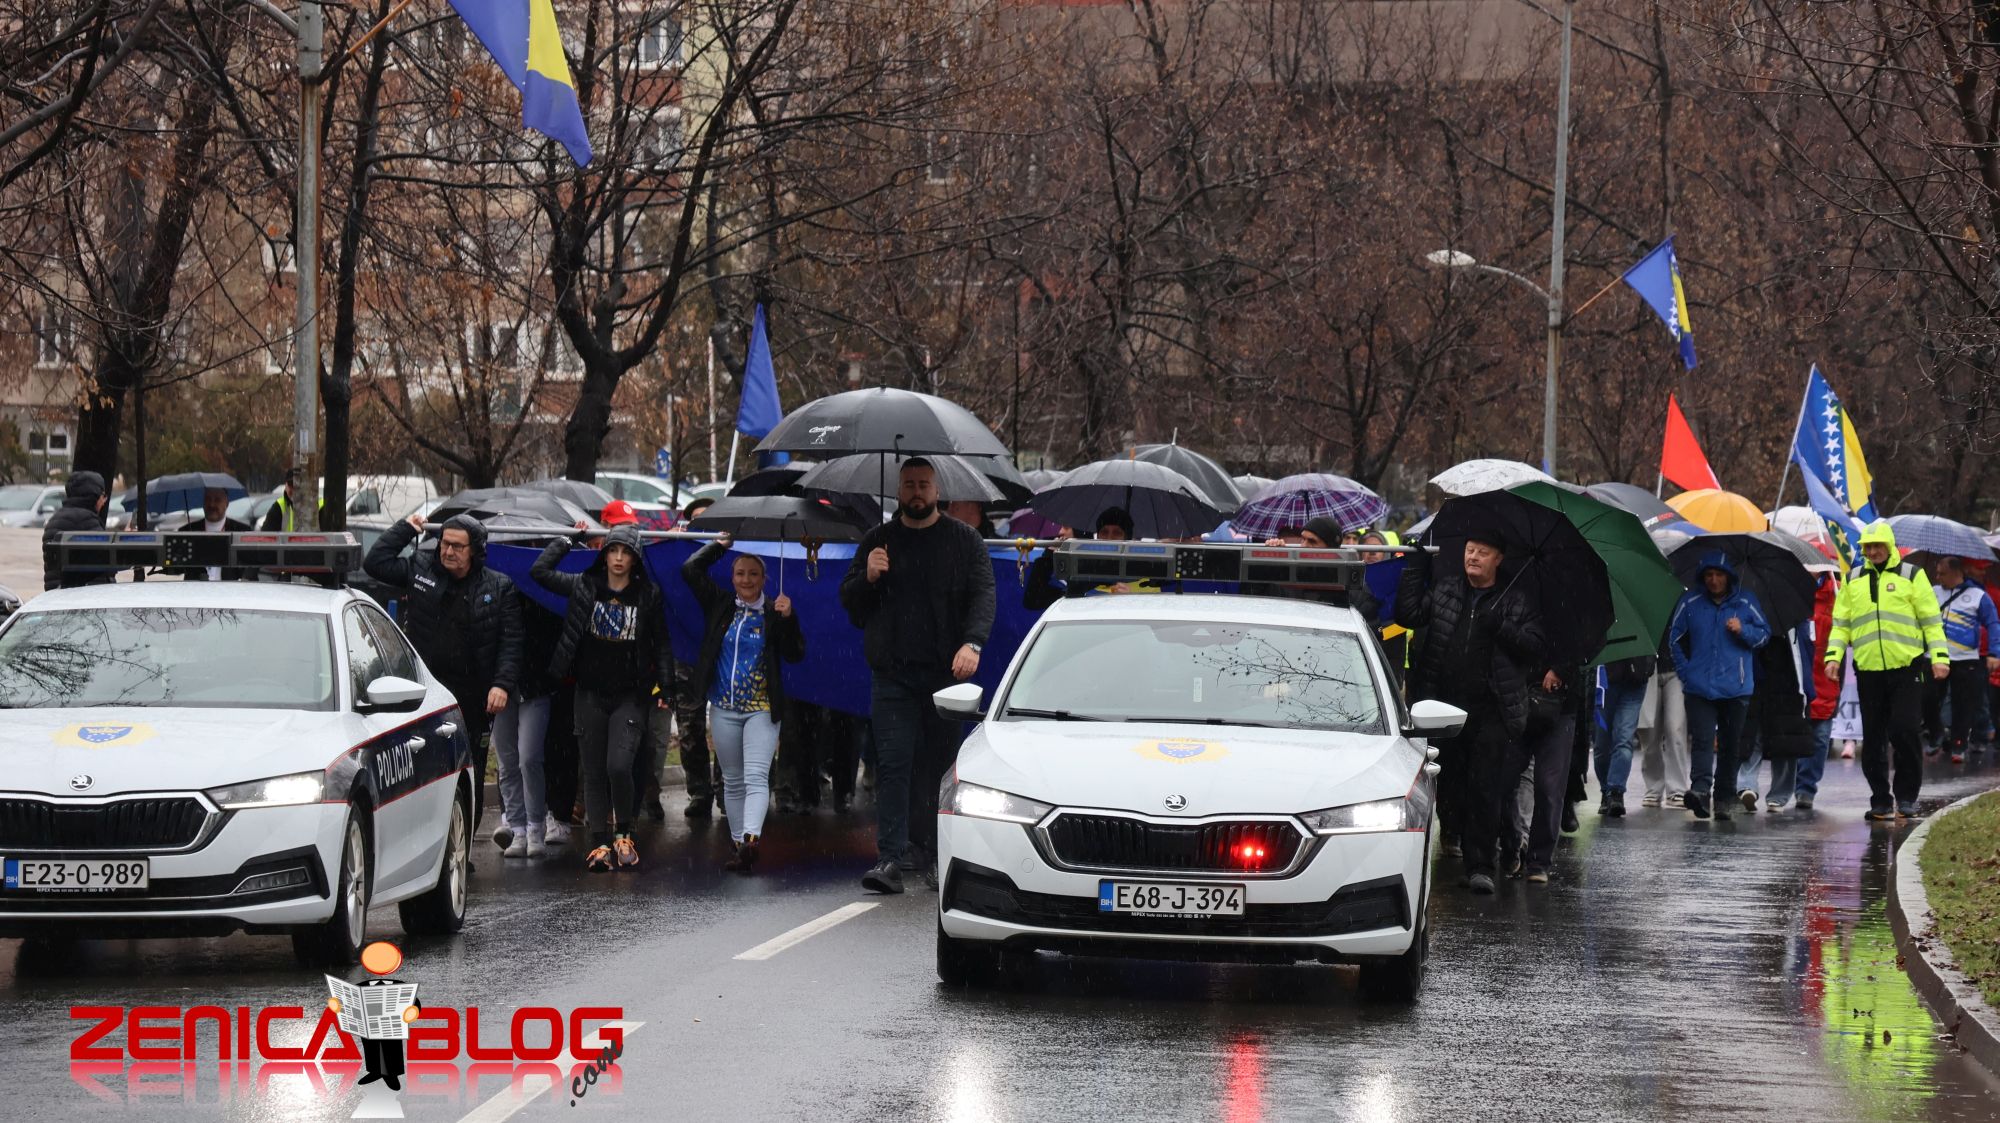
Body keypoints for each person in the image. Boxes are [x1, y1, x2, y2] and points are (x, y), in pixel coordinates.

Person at [839, 458, 996, 894]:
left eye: (924, 484)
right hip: (892, 675)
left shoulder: (964, 540)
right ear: (899, 491)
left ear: (937, 490)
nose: (916, 492)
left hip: (946, 675)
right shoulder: (878, 541)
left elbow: (984, 593)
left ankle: (937, 853)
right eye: (909, 484)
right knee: (893, 765)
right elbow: (850, 605)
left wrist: (973, 643)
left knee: (940, 770)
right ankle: (891, 857)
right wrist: (869, 577)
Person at [1395, 535, 1546, 895]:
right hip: (1445, 706)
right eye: (1470, 550)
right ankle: (1456, 841)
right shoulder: (1447, 589)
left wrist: (1501, 627)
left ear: (1498, 558)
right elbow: (1408, 615)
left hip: (1492, 708)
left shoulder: (1515, 599)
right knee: (1449, 784)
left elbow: (1535, 647)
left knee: (1485, 787)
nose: (1473, 557)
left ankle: (1480, 866)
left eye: (1482, 552)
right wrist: (1415, 569)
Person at [363, 512, 524, 831]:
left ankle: (464, 843)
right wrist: (406, 529)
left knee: (470, 769)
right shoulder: (421, 568)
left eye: (457, 546)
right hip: (424, 690)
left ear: (474, 550)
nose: (448, 551)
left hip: (472, 695)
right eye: (444, 544)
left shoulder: (498, 586)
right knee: (422, 767)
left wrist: (502, 684)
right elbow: (375, 562)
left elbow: (511, 641)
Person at [530, 524, 674, 871]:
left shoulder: (648, 594)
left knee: (619, 765)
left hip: (630, 695)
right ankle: (599, 845)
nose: (619, 558)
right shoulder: (585, 585)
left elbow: (661, 644)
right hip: (589, 692)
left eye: (626, 552)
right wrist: (568, 539)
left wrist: (667, 688)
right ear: (604, 554)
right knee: (593, 770)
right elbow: (540, 572)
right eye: (613, 550)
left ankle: (624, 833)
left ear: (635, 559)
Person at [681, 532, 806, 872]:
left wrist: (789, 618)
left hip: (761, 710)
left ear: (764, 579)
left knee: (755, 776)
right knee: (733, 780)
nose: (746, 580)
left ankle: (751, 838)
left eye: (753, 574)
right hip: (723, 708)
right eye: (740, 573)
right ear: (732, 577)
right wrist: (718, 546)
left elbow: (796, 654)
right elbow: (690, 570)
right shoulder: (720, 604)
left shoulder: (774, 611)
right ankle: (740, 847)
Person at [1826, 522, 1950, 820]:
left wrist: (1939, 657)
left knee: (1904, 730)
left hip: (1907, 668)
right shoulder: (1853, 579)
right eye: (1868, 547)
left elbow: (1931, 621)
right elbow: (1841, 624)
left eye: (1878, 546)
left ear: (1889, 545)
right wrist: (1834, 657)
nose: (1873, 552)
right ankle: (1880, 800)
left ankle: (1906, 796)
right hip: (1868, 670)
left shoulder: (1912, 575)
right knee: (1872, 739)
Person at [1667, 552, 1770, 821]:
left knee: (1730, 744)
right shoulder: (1690, 601)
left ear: (1728, 576)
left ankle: (1725, 796)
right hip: (1699, 686)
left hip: (1737, 687)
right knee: (1702, 741)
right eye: (1709, 575)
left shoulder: (1746, 601)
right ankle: (1700, 791)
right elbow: (1674, 639)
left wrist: (1743, 630)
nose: (1714, 580)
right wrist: (1686, 672)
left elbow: (1764, 636)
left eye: (1719, 575)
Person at [491, 595, 561, 858]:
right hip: (500, 686)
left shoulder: (538, 597)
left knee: (529, 758)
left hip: (534, 686)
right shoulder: (496, 594)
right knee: (507, 762)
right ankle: (517, 828)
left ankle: (535, 826)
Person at [1733, 615, 1819, 812]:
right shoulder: (1752, 608)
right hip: (1760, 678)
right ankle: (1748, 786)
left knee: (1785, 740)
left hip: (1786, 681)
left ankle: (1774, 793)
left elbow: (1805, 651)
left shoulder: (1796, 617)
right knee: (1754, 734)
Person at [1924, 555, 2000, 764]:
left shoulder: (1978, 595)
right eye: (1937, 573)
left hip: (1966, 659)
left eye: (1942, 574)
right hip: (1934, 657)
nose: (1938, 577)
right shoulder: (1932, 592)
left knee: (1963, 705)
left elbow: (1993, 624)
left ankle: (1959, 744)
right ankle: (1936, 733)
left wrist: (1995, 652)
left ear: (1957, 573)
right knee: (1927, 698)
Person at [673, 495, 721, 818]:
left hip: (723, 650)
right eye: (696, 521)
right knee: (690, 729)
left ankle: (727, 791)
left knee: (729, 729)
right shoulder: (675, 552)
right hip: (687, 654)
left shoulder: (729, 551)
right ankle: (700, 792)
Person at [1023, 506, 1132, 609]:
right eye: (1104, 532)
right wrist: (1048, 558)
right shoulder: (1085, 570)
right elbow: (1033, 600)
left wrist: (1132, 598)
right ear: (1098, 535)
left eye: (1117, 533)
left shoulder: (1136, 569)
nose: (1109, 538)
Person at [1592, 653, 1655, 817]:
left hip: (1635, 678)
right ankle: (1606, 790)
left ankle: (1615, 792)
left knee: (1624, 738)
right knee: (1602, 745)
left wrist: (1647, 666)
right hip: (1604, 679)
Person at [41, 470, 111, 590]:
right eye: (103, 495)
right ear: (93, 495)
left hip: (56, 593)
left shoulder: (55, 519)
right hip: (86, 594)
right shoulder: (85, 519)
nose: (104, 501)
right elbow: (107, 559)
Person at [178, 487, 252, 580]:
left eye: (217, 500)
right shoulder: (187, 531)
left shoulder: (242, 531)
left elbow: (249, 569)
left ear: (227, 504)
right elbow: (177, 569)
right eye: (208, 499)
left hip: (229, 587)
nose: (211, 504)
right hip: (195, 587)